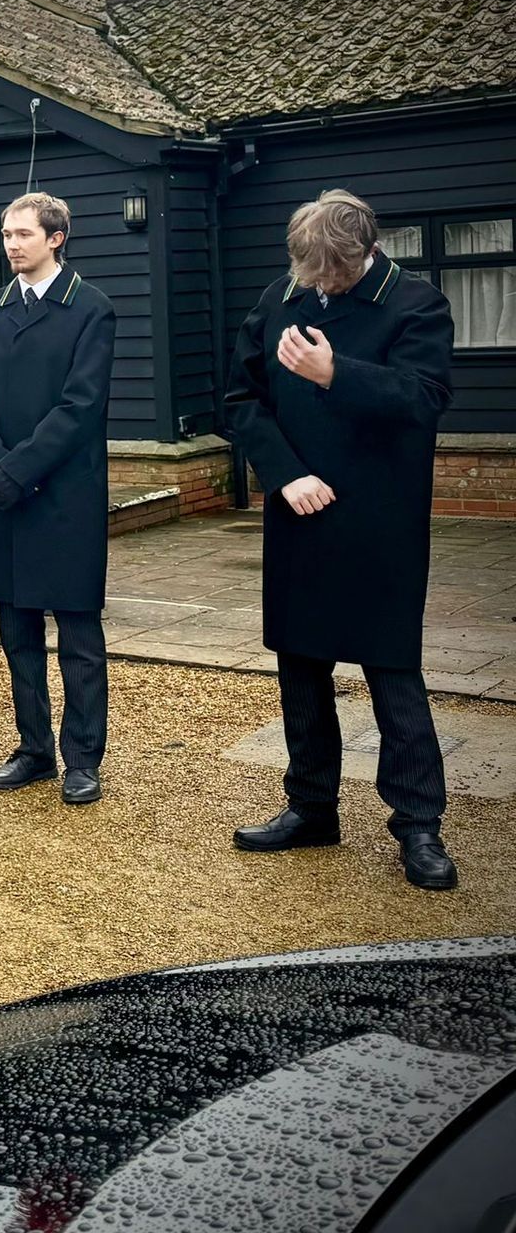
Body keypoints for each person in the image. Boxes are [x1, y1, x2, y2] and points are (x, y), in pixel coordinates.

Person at [224, 190, 458, 890]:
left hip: (379, 523)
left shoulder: (417, 305)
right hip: (299, 514)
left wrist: (335, 375)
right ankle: (311, 808)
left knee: (392, 675)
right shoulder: (283, 294)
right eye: (308, 273)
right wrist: (285, 475)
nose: (317, 287)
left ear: (362, 254)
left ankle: (419, 827)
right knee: (300, 667)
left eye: (330, 274)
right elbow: (241, 399)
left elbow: (424, 399)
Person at [0, 192, 117, 806]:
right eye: (5, 235)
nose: (11, 245)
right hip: (6, 495)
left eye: (22, 234)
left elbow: (80, 407)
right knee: (16, 630)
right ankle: (33, 750)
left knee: (79, 635)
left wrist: (15, 471)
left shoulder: (91, 310)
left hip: (66, 495)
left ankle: (82, 759)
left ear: (56, 238)